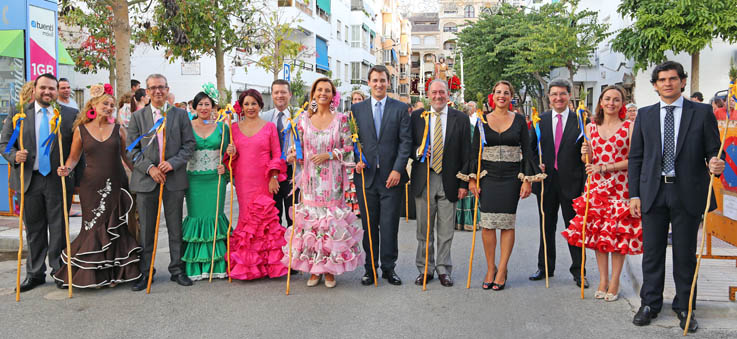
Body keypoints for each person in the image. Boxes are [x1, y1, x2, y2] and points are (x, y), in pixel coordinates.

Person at [630, 61, 724, 332]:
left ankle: (685, 306)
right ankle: (650, 303)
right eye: (662, 79)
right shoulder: (645, 115)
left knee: (685, 254)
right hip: (652, 191)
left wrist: (716, 164)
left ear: (683, 81)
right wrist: (633, 194)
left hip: (688, 191)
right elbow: (636, 158)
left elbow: (714, 151)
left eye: (673, 78)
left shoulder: (702, 112)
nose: (668, 83)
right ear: (655, 85)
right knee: (652, 253)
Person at [53, 84, 141, 288]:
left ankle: (114, 274)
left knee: (115, 227)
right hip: (90, 186)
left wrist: (142, 172)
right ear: (93, 104)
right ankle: (94, 276)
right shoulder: (80, 130)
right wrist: (66, 169)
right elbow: (73, 158)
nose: (109, 107)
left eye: (112, 105)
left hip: (117, 184)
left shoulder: (119, 130)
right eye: (105, 103)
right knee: (93, 227)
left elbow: (127, 158)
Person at [282, 78, 364, 288]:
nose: (323, 93)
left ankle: (329, 270)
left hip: (332, 181)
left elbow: (348, 148)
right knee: (312, 225)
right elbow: (298, 148)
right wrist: (292, 155)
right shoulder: (303, 120)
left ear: (333, 94)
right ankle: (314, 269)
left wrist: (328, 154)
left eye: (327, 90)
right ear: (313, 93)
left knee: (329, 225)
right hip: (309, 181)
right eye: (319, 89)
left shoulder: (341, 120)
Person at [562, 85, 641, 302]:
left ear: (622, 103)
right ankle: (603, 279)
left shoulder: (630, 127)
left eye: (616, 99)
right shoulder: (590, 128)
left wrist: (606, 168)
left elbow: (634, 160)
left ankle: (615, 280)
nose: (611, 103)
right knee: (598, 237)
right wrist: (584, 154)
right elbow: (587, 161)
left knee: (617, 235)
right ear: (600, 102)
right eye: (607, 99)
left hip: (620, 187)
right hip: (596, 188)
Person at [0, 73, 78, 291]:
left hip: (57, 180)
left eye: (51, 89)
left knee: (59, 228)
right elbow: (5, 142)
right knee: (34, 229)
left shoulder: (69, 114)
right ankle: (34, 274)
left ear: (56, 91)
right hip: (29, 180)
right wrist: (14, 155)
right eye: (43, 88)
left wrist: (72, 171)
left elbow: (77, 148)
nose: (47, 92)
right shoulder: (19, 112)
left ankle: (59, 270)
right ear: (34, 89)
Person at [465, 81, 540, 290]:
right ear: (493, 96)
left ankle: (503, 268)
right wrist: (472, 179)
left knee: (507, 223)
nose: (502, 96)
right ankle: (491, 267)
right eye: (498, 92)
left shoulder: (519, 121)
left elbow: (527, 150)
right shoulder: (482, 120)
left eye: (506, 93)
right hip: (488, 177)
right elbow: (474, 151)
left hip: (511, 178)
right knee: (487, 224)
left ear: (511, 97)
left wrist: (526, 180)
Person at [127, 74, 196, 291]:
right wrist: (150, 168)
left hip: (173, 179)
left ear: (167, 89)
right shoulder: (138, 118)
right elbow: (131, 150)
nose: (158, 91)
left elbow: (189, 145)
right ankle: (146, 272)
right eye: (153, 88)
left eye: (161, 87)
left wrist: (173, 163)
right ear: (146, 92)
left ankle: (177, 269)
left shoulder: (180, 115)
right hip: (147, 181)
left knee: (175, 227)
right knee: (147, 229)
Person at [352, 65, 412, 286]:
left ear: (388, 83)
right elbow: (352, 140)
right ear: (368, 83)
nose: (379, 84)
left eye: (382, 80)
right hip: (366, 178)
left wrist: (398, 169)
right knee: (369, 225)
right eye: (375, 80)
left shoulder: (400, 109)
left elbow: (405, 142)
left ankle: (389, 268)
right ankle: (370, 269)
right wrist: (356, 159)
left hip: (391, 178)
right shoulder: (356, 110)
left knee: (389, 226)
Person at [529, 78, 589, 288]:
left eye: (562, 94)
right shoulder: (540, 121)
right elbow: (531, 151)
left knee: (574, 228)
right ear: (549, 97)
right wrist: (538, 166)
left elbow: (587, 151)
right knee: (546, 226)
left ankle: (578, 271)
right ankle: (545, 267)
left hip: (572, 183)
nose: (558, 98)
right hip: (546, 183)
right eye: (554, 94)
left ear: (569, 96)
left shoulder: (581, 121)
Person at [410, 79, 469, 287]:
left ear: (448, 94)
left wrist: (464, 182)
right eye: (434, 92)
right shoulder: (418, 117)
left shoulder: (460, 118)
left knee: (446, 229)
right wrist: (418, 151)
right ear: (428, 94)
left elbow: (466, 152)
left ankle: (443, 268)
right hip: (424, 178)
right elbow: (407, 144)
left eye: (442, 92)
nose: (438, 96)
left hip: (450, 180)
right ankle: (425, 268)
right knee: (424, 230)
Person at [226, 89, 288, 280]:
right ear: (241, 107)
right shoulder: (233, 129)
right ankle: (248, 266)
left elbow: (277, 154)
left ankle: (267, 265)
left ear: (260, 105)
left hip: (264, 180)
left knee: (265, 221)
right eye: (246, 104)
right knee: (247, 220)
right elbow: (230, 160)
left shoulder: (269, 127)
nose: (250, 107)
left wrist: (274, 177)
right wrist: (230, 152)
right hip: (243, 180)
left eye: (254, 103)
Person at [180, 87, 231, 281]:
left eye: (207, 104)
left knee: (214, 217)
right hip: (193, 180)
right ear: (193, 106)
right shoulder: (187, 126)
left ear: (213, 107)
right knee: (196, 217)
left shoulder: (222, 127)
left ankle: (216, 264)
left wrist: (225, 165)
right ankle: (196, 266)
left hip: (214, 180)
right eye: (200, 104)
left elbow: (228, 155)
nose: (203, 107)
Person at [260, 80, 298, 227]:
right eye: (276, 92)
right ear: (272, 95)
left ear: (290, 94)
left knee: (293, 217)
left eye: (283, 92)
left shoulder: (300, 116)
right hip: (271, 174)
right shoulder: (264, 117)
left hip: (293, 172)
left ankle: (292, 248)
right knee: (273, 217)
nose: (280, 95)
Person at [456, 101, 478, 231]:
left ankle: (462, 221)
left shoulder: (473, 125)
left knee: (465, 190)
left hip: (466, 162)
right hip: (468, 162)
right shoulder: (471, 126)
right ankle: (468, 221)